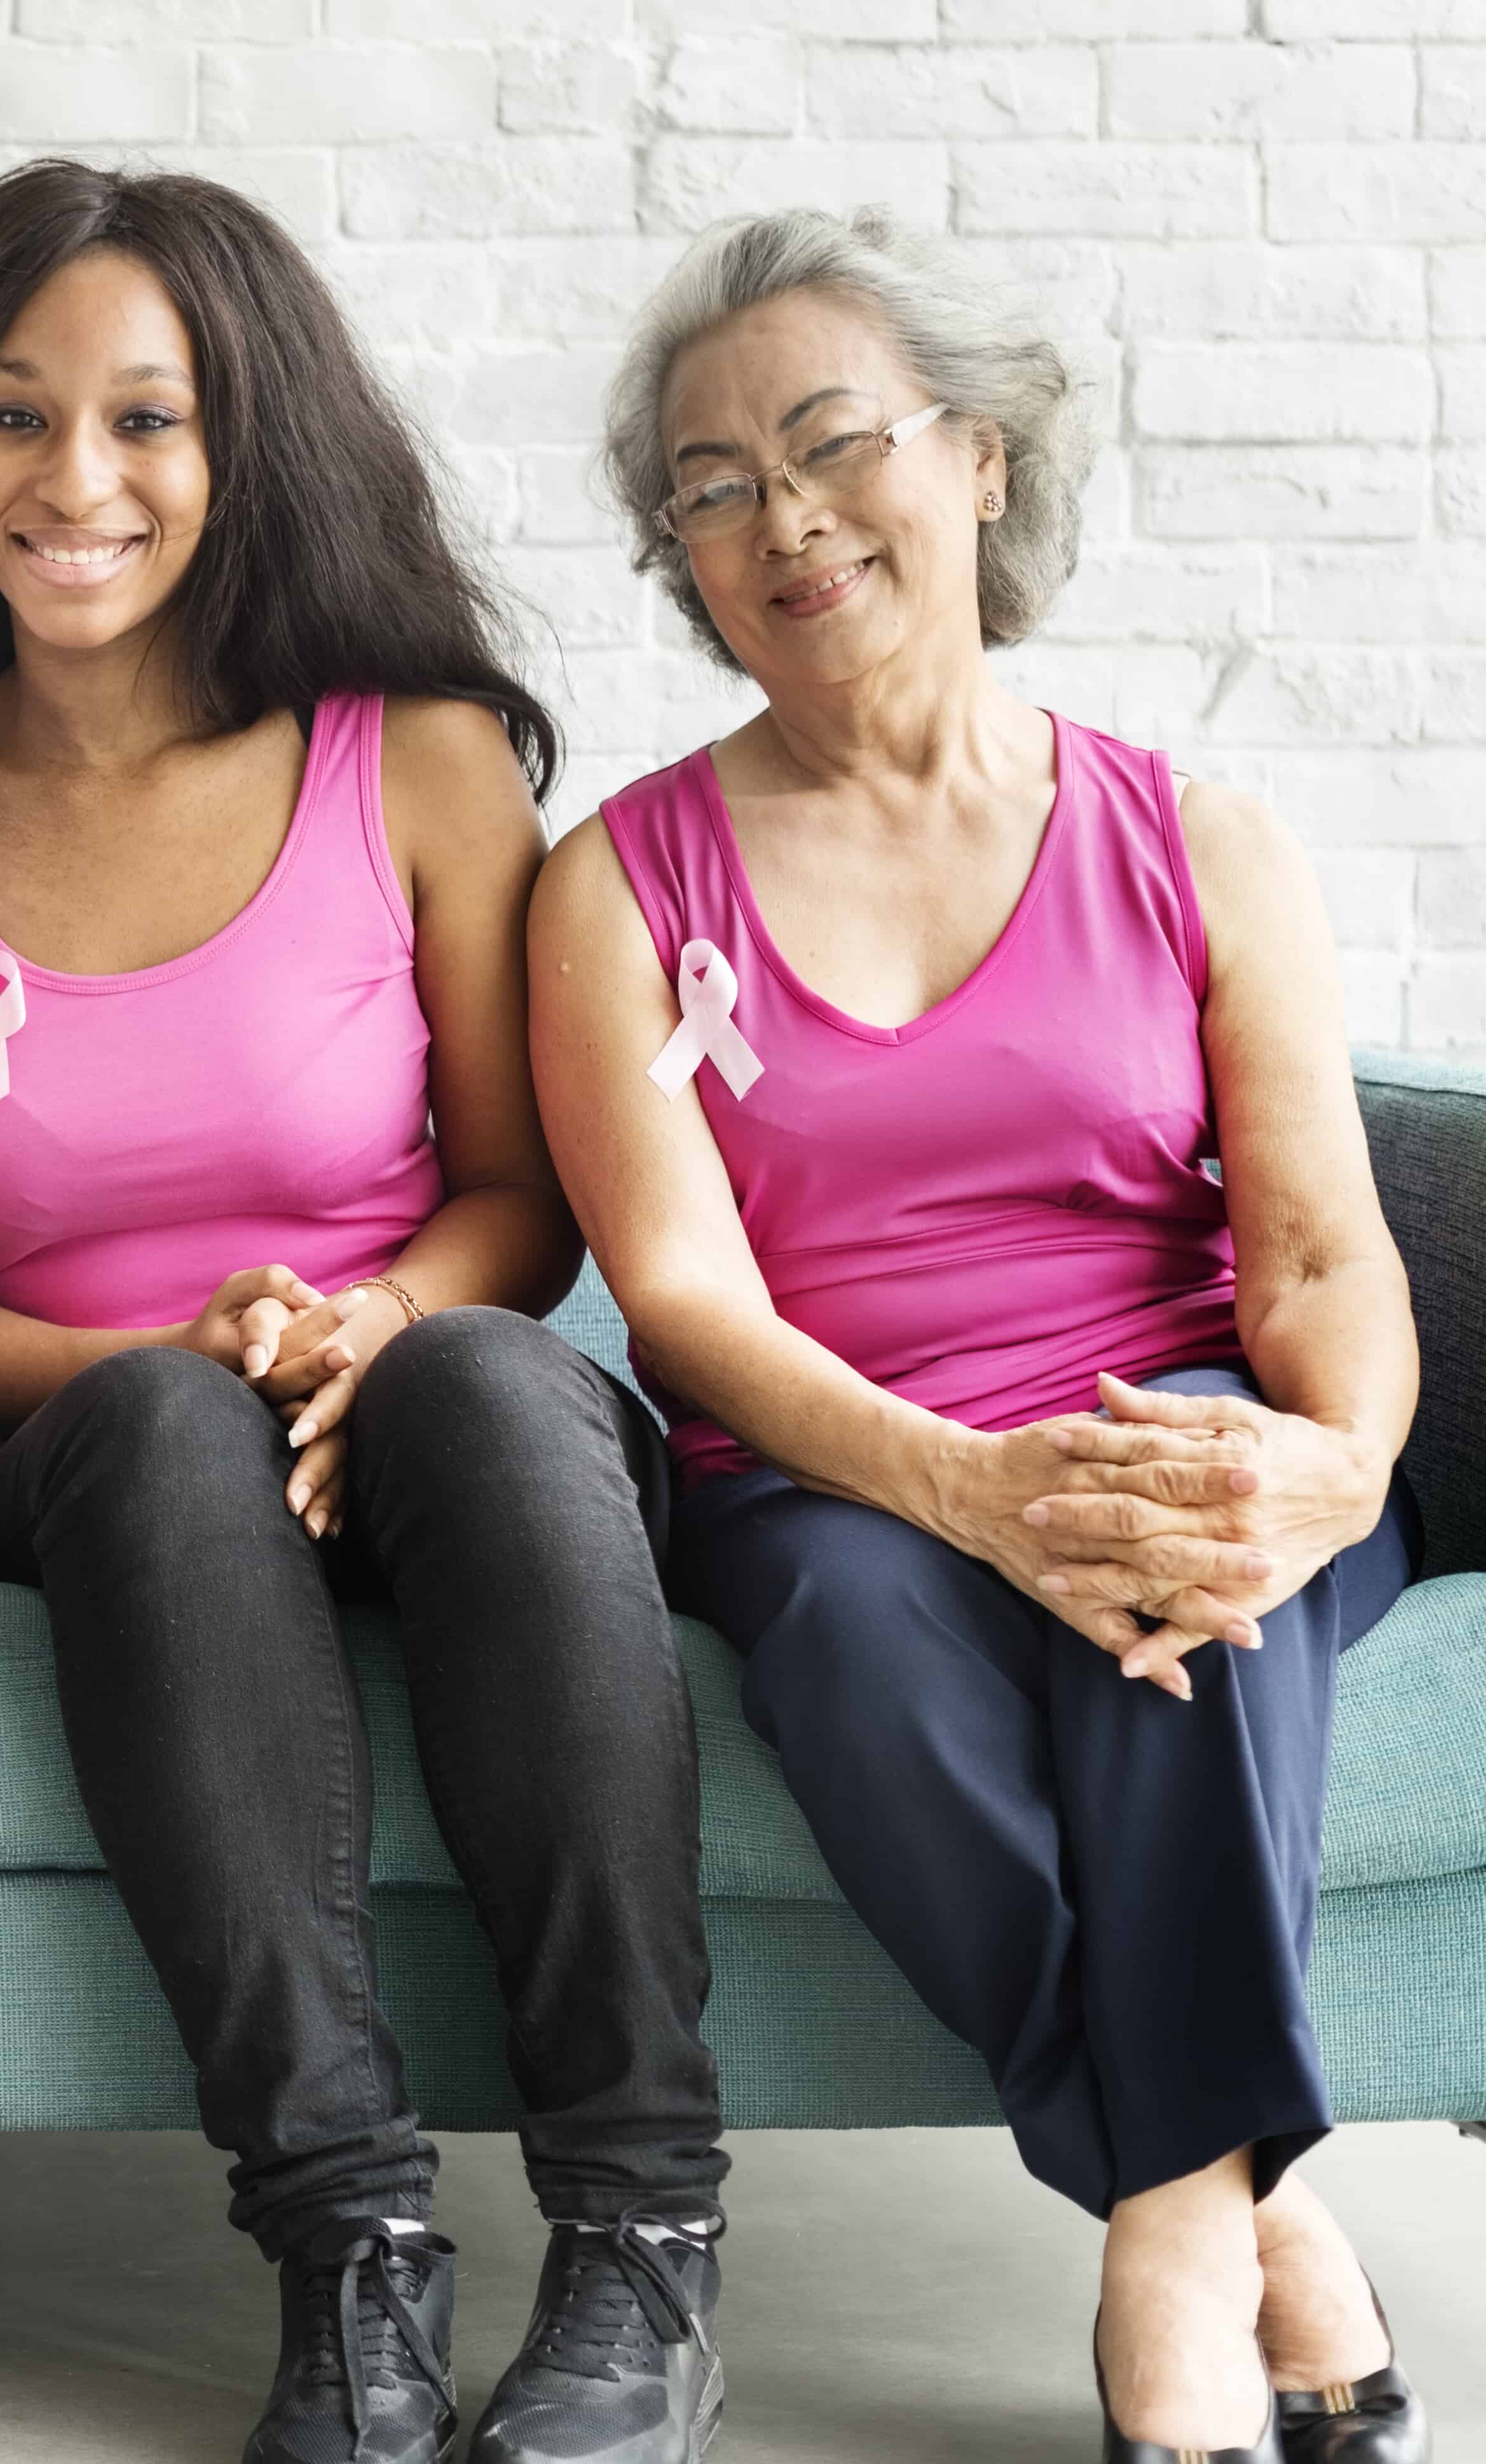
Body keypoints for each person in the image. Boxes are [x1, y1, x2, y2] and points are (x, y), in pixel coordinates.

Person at [0, 159, 733, 2464]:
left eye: (149, 419)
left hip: (410, 1395)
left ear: (246, 445)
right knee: (155, 1430)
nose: (79, 482)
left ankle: (642, 2240)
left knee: (507, 1394)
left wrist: (358, 1325)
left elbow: (529, 1199)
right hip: (101, 1455)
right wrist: (188, 1358)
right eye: (18, 419)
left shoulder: (412, 759)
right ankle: (353, 2248)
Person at [536, 208, 1423, 2464]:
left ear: (987, 465)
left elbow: (1319, 1252)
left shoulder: (1197, 837)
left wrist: (1337, 1465)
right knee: (851, 1638)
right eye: (716, 487)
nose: (786, 519)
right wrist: (960, 1486)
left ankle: (1163, 2254)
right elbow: (683, 1300)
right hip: (833, 1471)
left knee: (1191, 1538)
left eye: (835, 446)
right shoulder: (620, 882)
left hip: (1171, 1393)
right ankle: (1247, 2205)